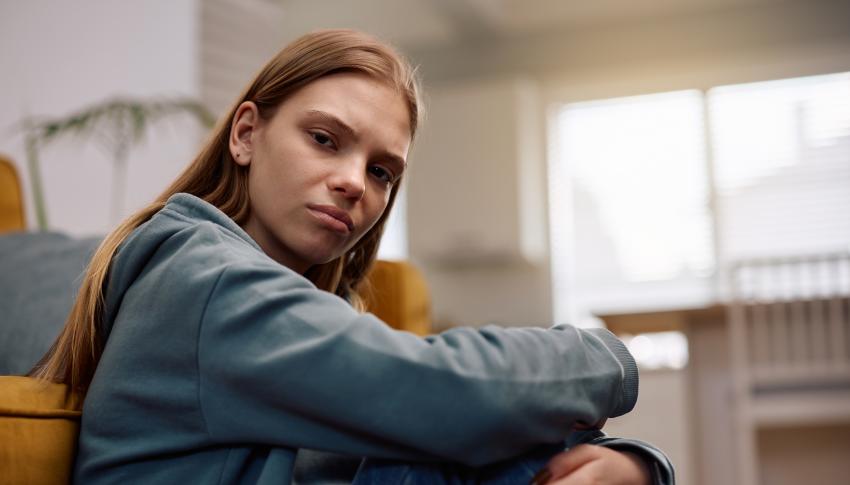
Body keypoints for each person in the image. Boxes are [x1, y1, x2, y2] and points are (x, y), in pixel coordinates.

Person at [31, 29, 673, 484]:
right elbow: (436, 394)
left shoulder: (286, 306)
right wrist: (609, 358)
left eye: (382, 171)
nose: (353, 183)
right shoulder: (203, 278)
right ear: (247, 134)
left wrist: (634, 464)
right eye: (323, 139)